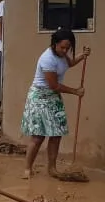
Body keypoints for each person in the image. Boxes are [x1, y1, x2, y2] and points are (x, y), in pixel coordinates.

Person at [21, 29, 89, 178]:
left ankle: (52, 168)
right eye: (62, 47)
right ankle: (27, 168)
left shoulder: (63, 55)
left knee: (56, 134)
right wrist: (75, 91)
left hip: (53, 98)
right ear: (54, 44)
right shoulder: (47, 59)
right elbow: (54, 85)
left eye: (68, 48)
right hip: (39, 97)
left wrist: (82, 56)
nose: (65, 51)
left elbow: (70, 63)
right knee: (38, 136)